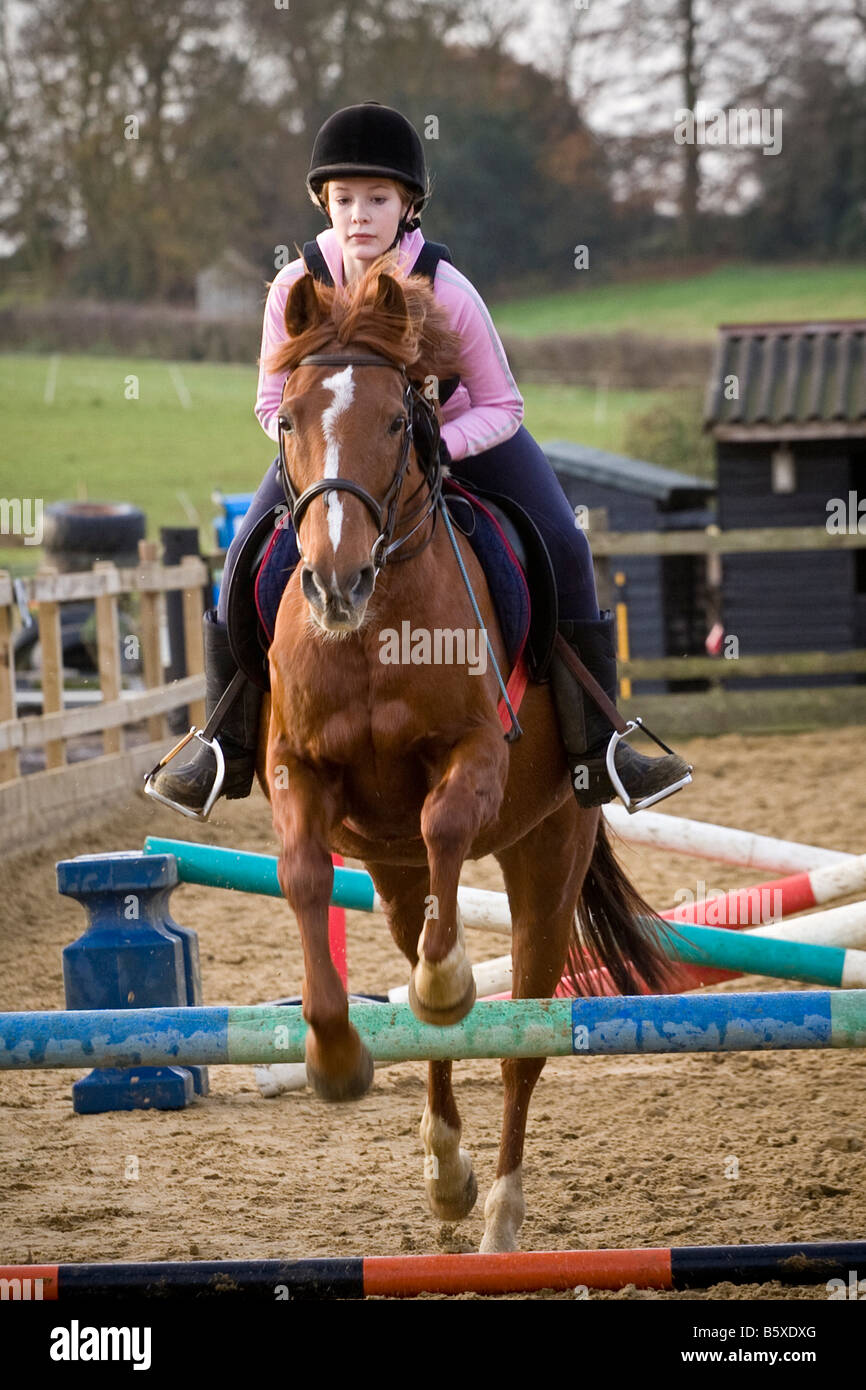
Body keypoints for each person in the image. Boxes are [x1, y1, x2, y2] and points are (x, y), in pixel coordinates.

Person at [147, 101, 691, 819]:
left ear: (408, 205)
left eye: (377, 198)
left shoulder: (449, 289)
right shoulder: (294, 288)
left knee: (563, 539)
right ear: (325, 203)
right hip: (337, 458)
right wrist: (325, 458)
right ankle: (223, 744)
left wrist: (437, 448)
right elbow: (269, 404)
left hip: (464, 440)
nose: (359, 214)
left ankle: (603, 745)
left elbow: (505, 407)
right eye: (344, 199)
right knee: (244, 553)